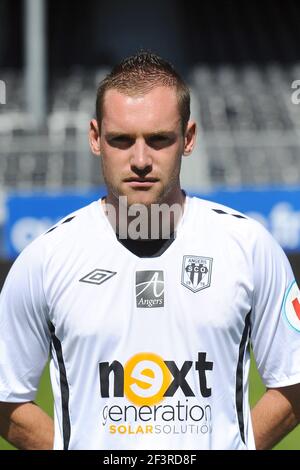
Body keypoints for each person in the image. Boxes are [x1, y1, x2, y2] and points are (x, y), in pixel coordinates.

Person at [0, 52, 300, 451]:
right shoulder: (45, 258)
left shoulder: (249, 246)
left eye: (158, 139)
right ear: (94, 138)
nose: (140, 160)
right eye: (121, 140)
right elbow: (6, 396)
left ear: (188, 138)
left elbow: (294, 379)